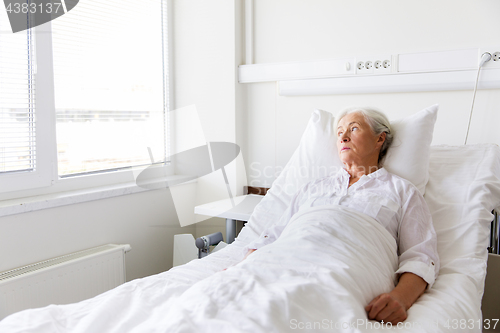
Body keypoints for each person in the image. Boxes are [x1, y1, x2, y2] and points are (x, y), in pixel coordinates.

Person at [240, 107, 439, 325]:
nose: (343, 136)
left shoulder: (402, 192)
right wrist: (244, 267)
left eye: (354, 129)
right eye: (339, 132)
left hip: (346, 269)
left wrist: (401, 298)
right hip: (285, 260)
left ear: (379, 139)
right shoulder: (312, 188)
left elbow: (420, 256)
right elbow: (275, 235)